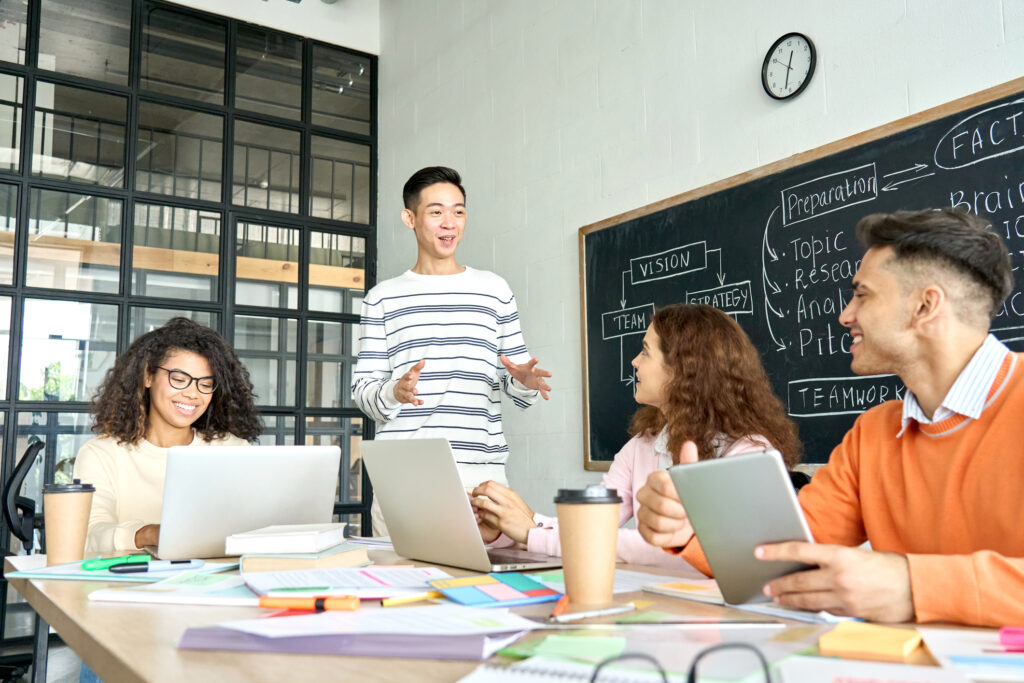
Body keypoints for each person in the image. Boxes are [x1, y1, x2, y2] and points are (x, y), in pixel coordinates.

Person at [636, 208, 1024, 627]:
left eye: (863, 294)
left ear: (925, 305)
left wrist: (914, 587)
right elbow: (782, 556)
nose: (845, 315)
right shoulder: (873, 434)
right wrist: (689, 528)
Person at [471, 304, 801, 571]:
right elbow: (591, 524)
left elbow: (675, 550)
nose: (634, 362)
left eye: (645, 352)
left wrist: (531, 532)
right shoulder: (641, 446)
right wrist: (505, 529)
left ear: (683, 369)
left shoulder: (749, 453)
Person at [352, 166, 552, 533]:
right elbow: (363, 393)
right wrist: (393, 391)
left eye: (458, 211)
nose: (450, 222)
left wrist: (523, 380)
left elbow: (522, 395)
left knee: (479, 588)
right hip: (406, 475)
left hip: (481, 477)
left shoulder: (495, 290)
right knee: (403, 588)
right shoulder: (381, 299)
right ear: (409, 218)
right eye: (437, 211)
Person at [73, 317, 262, 553]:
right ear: (148, 377)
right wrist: (150, 534)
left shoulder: (234, 450)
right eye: (179, 379)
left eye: (205, 384)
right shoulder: (101, 454)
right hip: (127, 584)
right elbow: (88, 535)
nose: (192, 394)